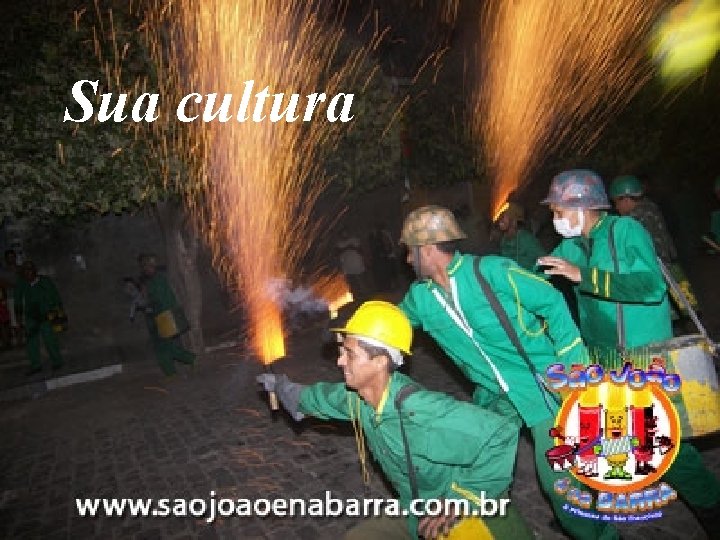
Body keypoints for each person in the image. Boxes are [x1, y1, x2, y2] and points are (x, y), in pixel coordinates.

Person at [396, 205, 614, 540]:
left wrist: (574, 368)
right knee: (470, 467)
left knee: (559, 485)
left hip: (541, 389)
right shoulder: (420, 298)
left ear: (426, 249)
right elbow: (391, 325)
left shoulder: (492, 271)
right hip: (494, 397)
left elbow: (552, 301)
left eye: (410, 251)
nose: (407, 259)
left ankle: (600, 533)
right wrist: (357, 333)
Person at [537, 169, 720, 538]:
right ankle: (588, 516)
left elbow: (651, 287)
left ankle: (712, 509)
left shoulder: (625, 231)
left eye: (558, 209)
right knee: (597, 437)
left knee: (666, 445)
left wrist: (584, 276)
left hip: (642, 358)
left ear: (583, 207)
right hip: (601, 359)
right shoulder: (572, 246)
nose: (554, 217)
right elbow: (534, 278)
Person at [257, 301, 534, 540]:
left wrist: (461, 501)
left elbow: (501, 434)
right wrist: (281, 387)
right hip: (417, 510)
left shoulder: (420, 410)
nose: (340, 361)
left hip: (470, 519)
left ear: (380, 361)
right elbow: (320, 398)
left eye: (349, 353)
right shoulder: (360, 398)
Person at [609, 174, 699, 324]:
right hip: (669, 265)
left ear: (626, 199)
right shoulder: (650, 206)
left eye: (616, 202)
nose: (616, 208)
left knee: (666, 317)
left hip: (657, 269)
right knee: (684, 312)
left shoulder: (633, 218)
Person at [138, 254, 195, 375]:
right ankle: (171, 372)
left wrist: (145, 302)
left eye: (148, 266)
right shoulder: (152, 280)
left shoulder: (157, 281)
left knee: (166, 347)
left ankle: (189, 360)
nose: (146, 269)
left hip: (164, 317)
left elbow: (158, 299)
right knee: (162, 348)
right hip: (159, 317)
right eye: (145, 266)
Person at [14, 261, 64, 374]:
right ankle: (35, 365)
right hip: (31, 317)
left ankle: (57, 361)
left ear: (35, 270)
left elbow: (55, 297)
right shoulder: (21, 284)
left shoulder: (45, 281)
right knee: (31, 342)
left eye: (30, 269)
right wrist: (19, 320)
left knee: (50, 339)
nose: (28, 273)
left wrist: (59, 314)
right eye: (25, 270)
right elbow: (18, 303)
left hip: (47, 315)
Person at [492, 202, 546, 271]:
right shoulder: (504, 239)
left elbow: (544, 259)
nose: (500, 219)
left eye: (503, 216)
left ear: (514, 220)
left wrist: (533, 272)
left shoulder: (525, 238)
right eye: (500, 216)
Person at [337, 229, 370, 301]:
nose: (344, 234)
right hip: (346, 266)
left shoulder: (354, 240)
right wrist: (347, 247)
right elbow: (337, 253)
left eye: (345, 232)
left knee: (360, 279)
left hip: (357, 263)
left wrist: (352, 248)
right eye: (342, 233)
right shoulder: (339, 243)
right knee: (351, 282)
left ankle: (365, 295)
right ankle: (356, 296)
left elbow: (360, 250)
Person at [0, 249, 24, 348]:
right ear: (6, 259)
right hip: (10, 298)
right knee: (14, 321)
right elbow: (2, 284)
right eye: (9, 257)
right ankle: (18, 341)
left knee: (22, 319)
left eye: (12, 257)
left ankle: (21, 340)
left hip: (22, 296)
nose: (11, 259)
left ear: (15, 257)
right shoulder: (3, 271)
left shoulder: (21, 269)